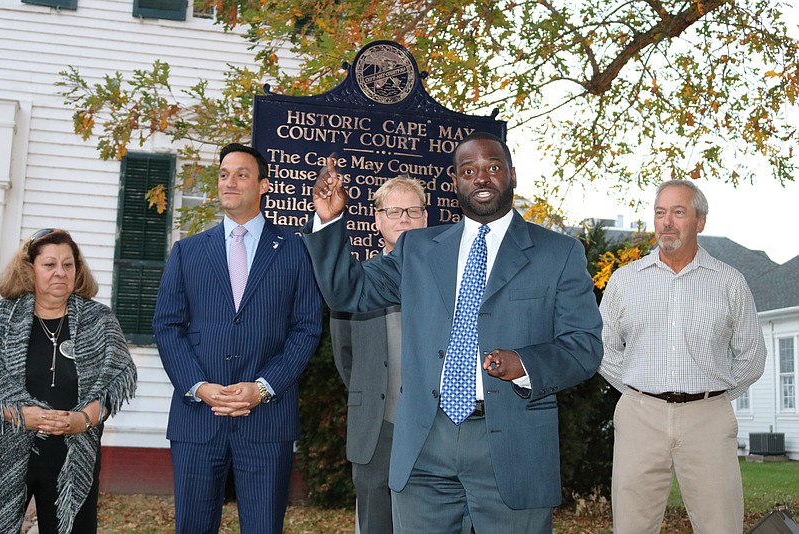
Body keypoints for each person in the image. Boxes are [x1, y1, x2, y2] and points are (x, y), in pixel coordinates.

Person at [303, 132, 603, 533]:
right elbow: (347, 291)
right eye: (468, 170)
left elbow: (583, 346)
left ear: (512, 175)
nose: (481, 178)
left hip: (511, 447)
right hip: (425, 445)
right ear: (455, 181)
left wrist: (526, 363)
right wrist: (329, 221)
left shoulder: (558, 253)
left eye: (492, 168)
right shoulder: (419, 249)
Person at [153, 143, 323, 534]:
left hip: (267, 419)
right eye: (224, 174)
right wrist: (198, 386)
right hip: (198, 417)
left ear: (264, 185)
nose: (230, 182)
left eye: (242, 174)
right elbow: (167, 326)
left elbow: (307, 328)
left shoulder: (295, 250)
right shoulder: (187, 251)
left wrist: (263, 388)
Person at [598, 179, 767, 533]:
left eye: (678, 212)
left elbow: (752, 355)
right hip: (639, 418)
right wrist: (636, 391)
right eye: (660, 213)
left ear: (700, 222)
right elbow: (603, 348)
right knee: (631, 526)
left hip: (708, 419)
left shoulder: (729, 282)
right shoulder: (625, 281)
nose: (667, 222)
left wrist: (713, 396)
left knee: (721, 525)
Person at [0, 228, 137, 534]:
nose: (60, 272)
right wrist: (19, 415)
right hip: (5, 452)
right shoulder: (2, 319)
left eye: (68, 264)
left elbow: (115, 381)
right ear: (29, 269)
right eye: (49, 265)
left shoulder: (99, 320)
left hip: (73, 456)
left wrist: (83, 420)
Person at [330, 176, 428, 534]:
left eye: (413, 211)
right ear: (377, 220)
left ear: (425, 218)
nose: (404, 218)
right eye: (394, 211)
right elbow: (346, 356)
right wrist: (372, 390)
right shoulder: (357, 280)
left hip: (435, 430)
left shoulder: (448, 282)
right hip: (376, 426)